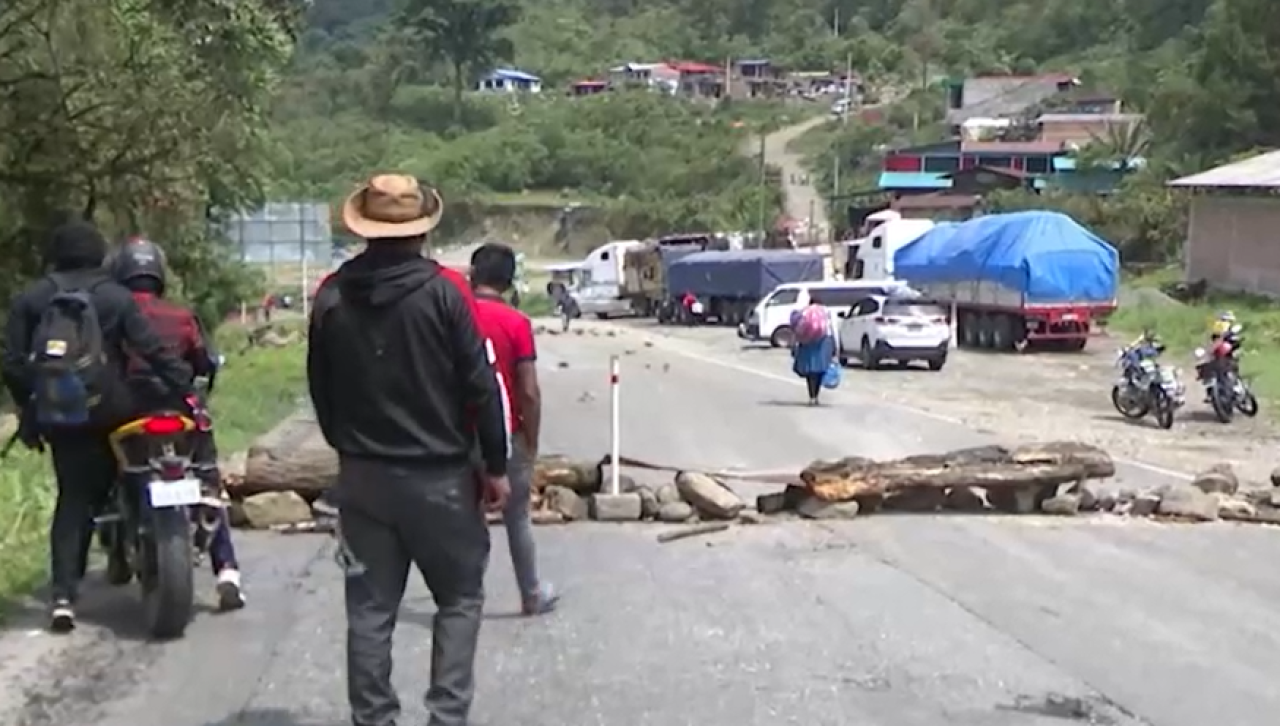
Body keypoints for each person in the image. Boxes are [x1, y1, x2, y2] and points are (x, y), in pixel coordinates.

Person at [308, 174, 510, 726]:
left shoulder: (331, 295)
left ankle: (374, 719)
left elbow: (321, 393)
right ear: (421, 229)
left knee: (370, 611)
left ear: (365, 229)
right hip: (440, 477)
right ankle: (446, 717)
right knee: (460, 598)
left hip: (363, 477)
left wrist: (349, 451)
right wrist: (495, 466)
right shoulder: (446, 292)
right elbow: (480, 385)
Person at [1, 219, 194, 632]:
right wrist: (184, 392)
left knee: (74, 499)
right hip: (115, 410)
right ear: (102, 256)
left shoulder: (33, 298)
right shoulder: (116, 297)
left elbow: (12, 362)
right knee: (133, 476)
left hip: (64, 418)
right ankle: (142, 539)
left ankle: (63, 597)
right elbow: (152, 349)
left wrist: (31, 408)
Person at [108, 236, 246, 611]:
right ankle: (227, 570)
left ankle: (116, 537)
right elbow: (204, 364)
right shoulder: (181, 317)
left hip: (129, 414)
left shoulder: (112, 317)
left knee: (112, 472)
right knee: (207, 479)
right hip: (180, 413)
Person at [469, 242, 559, 616]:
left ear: (473, 275)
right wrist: (531, 440)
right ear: (508, 282)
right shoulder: (516, 323)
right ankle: (531, 593)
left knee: (467, 519)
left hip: (458, 434)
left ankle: (466, 597)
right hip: (508, 434)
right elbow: (529, 391)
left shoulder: (452, 314)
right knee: (517, 517)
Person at [790, 304, 836, 406]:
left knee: (810, 371)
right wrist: (835, 346)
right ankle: (816, 395)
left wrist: (794, 344)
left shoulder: (804, 311)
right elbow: (833, 329)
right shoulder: (826, 311)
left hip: (807, 342)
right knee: (820, 370)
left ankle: (812, 396)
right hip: (824, 342)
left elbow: (796, 328)